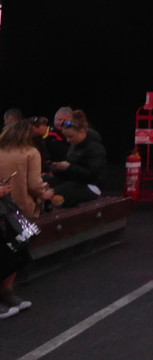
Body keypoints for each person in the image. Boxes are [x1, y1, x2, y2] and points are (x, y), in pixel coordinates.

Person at [0, 119, 55, 316]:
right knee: (16, 251)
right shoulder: (31, 153)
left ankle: (6, 294)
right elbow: (34, 184)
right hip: (18, 209)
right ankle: (6, 292)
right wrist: (46, 195)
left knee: (10, 251)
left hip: (5, 208)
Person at [46, 111, 106, 207]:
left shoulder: (95, 148)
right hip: (75, 181)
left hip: (91, 186)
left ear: (82, 132)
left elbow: (92, 175)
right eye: (66, 137)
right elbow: (72, 169)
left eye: (70, 137)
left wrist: (69, 167)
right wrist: (58, 169)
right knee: (45, 184)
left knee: (54, 194)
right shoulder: (74, 145)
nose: (68, 140)